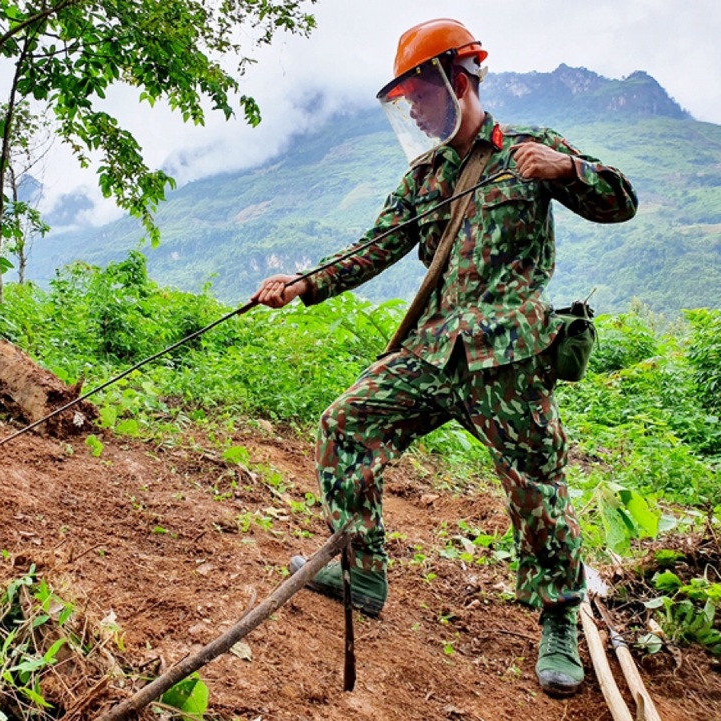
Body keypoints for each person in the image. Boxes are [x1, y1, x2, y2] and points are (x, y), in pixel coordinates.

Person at [251, 18, 637, 697]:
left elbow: (620, 200)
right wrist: (304, 284)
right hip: (436, 351)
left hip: (508, 356)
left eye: (421, 100)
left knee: (536, 488)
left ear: (456, 82)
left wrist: (567, 170)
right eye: (406, 105)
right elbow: (376, 245)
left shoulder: (530, 149)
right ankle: (364, 571)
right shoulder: (426, 176)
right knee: (348, 422)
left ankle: (557, 618)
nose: (416, 114)